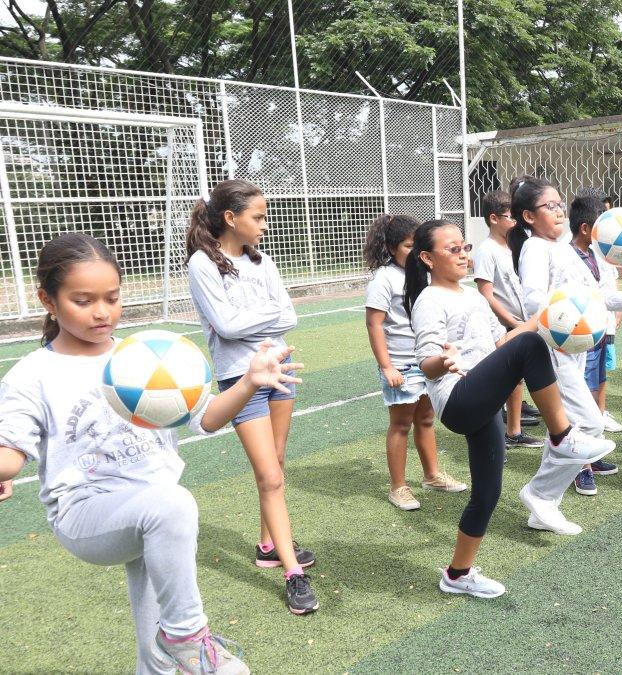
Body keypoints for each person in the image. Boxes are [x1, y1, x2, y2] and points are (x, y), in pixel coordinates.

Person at [0, 233, 302, 673]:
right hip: (86, 514)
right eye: (83, 301)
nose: (102, 312)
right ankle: (186, 635)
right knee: (171, 505)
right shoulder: (33, 374)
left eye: (112, 298)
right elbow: (10, 456)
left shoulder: (143, 355)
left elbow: (207, 418)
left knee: (154, 654)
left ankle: (165, 651)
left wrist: (249, 382)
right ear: (48, 300)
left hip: (153, 512)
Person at [407, 221, 615, 597]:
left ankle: (457, 574)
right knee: (529, 348)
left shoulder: (472, 296)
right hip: (457, 399)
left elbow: (501, 344)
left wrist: (545, 319)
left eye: (465, 247)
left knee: (488, 492)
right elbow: (426, 364)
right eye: (452, 249)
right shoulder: (429, 300)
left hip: (482, 395)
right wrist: (444, 360)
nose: (463, 254)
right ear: (427, 258)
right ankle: (562, 438)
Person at [185, 178, 318, 615]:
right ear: (230, 218)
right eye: (258, 217)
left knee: (276, 463)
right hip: (241, 379)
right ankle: (293, 573)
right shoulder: (203, 264)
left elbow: (290, 316)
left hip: (280, 367)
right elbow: (225, 326)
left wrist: (249, 319)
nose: (265, 224)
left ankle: (268, 546)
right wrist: (265, 316)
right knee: (271, 476)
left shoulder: (264, 262)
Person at [509, 178, 622, 525]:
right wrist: (569, 312)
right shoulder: (536, 248)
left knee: (563, 428)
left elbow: (593, 294)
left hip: (573, 346)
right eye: (550, 206)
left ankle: (545, 503)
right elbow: (533, 299)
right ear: (529, 216)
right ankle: (540, 493)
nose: (559, 210)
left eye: (559, 204)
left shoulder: (563, 248)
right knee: (588, 422)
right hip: (552, 347)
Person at [363, 213, 468, 511]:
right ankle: (398, 487)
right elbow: (374, 324)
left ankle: (432, 475)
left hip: (427, 361)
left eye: (416, 246)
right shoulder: (385, 278)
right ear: (392, 247)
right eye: (407, 246)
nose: (412, 252)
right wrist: (387, 367)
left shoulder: (423, 274)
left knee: (426, 419)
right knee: (400, 425)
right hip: (401, 364)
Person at [471, 190, 543, 451]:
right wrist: (511, 320)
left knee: (517, 378)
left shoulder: (514, 246)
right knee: (503, 379)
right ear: (493, 218)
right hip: (503, 325)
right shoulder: (486, 250)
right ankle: (497, 434)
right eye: (510, 217)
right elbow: (486, 293)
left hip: (521, 322)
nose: (515, 222)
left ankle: (513, 432)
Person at [566, 195, 622, 494]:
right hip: (579, 336)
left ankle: (593, 453)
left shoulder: (596, 254)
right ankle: (580, 466)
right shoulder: (567, 258)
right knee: (582, 397)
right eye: (602, 225)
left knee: (598, 387)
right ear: (586, 228)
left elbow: (606, 291)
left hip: (599, 333)